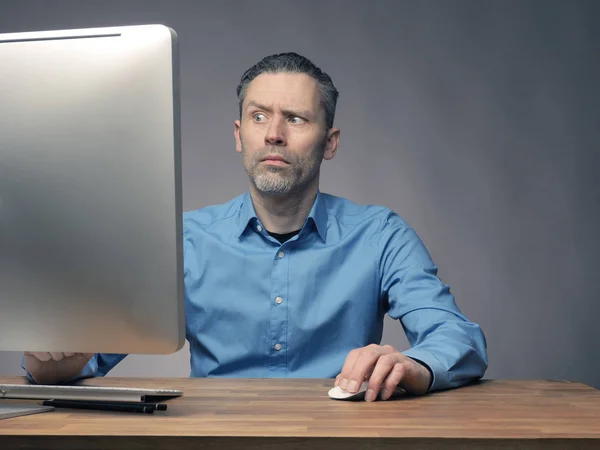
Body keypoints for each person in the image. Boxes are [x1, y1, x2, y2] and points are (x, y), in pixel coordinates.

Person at [23, 52, 487, 401]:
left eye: (296, 118)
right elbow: (79, 360)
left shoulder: (381, 235)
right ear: (238, 134)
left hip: (339, 439)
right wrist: (52, 360)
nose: (273, 134)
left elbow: (457, 338)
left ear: (330, 142)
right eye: (259, 116)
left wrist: (412, 365)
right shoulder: (183, 241)